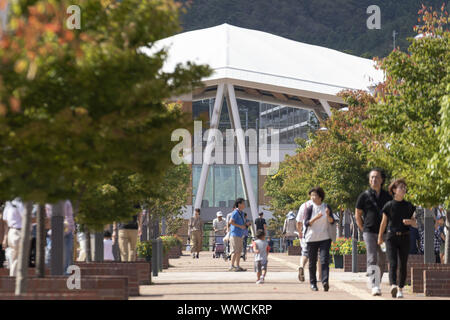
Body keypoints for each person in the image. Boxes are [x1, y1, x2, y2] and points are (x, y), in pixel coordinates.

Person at [355, 168, 392, 296]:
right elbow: (358, 214)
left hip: (384, 233)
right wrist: (363, 229)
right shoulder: (364, 196)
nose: (374, 180)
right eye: (371, 177)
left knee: (382, 258)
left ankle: (377, 282)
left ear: (381, 180)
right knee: (372, 258)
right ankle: (374, 285)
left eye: (376, 177)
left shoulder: (388, 196)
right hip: (369, 232)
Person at [378, 179, 417, 299]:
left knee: (403, 264)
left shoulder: (409, 206)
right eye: (401, 187)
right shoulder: (389, 205)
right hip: (391, 237)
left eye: (404, 187)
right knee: (393, 263)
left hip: (405, 237)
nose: (403, 189)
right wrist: (380, 237)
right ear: (394, 190)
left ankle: (400, 289)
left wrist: (410, 221)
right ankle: (393, 285)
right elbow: (383, 223)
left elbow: (415, 223)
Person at [303, 187, 335, 292]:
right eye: (311, 195)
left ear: (320, 197)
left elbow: (332, 221)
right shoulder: (309, 208)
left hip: (325, 237)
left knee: (324, 260)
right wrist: (316, 217)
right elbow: (306, 223)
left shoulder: (326, 207)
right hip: (311, 238)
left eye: (314, 195)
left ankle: (325, 281)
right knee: (312, 262)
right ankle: (313, 283)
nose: (312, 197)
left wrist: (328, 214)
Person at [2, 198, 26, 276]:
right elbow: (26, 218)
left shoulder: (8, 205)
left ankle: (13, 277)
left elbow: (5, 222)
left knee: (13, 258)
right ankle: (14, 278)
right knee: (17, 258)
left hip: (11, 232)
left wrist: (5, 238)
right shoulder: (20, 204)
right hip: (18, 232)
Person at [229, 198, 247, 271]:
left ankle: (238, 266)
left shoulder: (242, 213)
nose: (244, 205)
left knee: (239, 251)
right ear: (239, 204)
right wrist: (240, 226)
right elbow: (231, 222)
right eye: (243, 203)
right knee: (235, 250)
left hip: (240, 234)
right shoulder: (235, 212)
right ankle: (231, 266)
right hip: (235, 234)